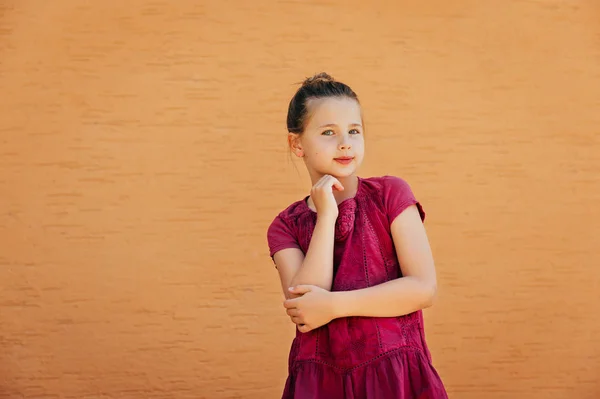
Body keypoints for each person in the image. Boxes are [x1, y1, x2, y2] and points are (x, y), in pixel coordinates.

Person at [266, 72, 448, 398]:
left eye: (353, 130)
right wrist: (326, 218)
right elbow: (307, 309)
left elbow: (423, 288)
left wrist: (335, 305)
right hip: (321, 384)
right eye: (328, 133)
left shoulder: (390, 195)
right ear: (297, 144)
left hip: (395, 377)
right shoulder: (286, 226)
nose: (345, 142)